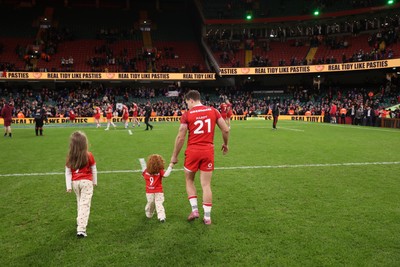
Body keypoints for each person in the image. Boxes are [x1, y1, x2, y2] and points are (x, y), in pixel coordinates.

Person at [170, 90, 229, 225]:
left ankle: (195, 210)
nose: (187, 106)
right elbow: (225, 129)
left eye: (187, 103)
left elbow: (180, 137)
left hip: (192, 152)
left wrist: (174, 156)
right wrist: (225, 144)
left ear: (191, 100)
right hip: (208, 151)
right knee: (206, 184)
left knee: (189, 180)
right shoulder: (213, 111)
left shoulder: (187, 115)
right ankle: (207, 217)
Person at [65, 131, 97, 238]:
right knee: (85, 204)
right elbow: (94, 169)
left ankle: (80, 220)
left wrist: (69, 186)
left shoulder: (70, 156)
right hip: (86, 182)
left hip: (75, 183)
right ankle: (81, 229)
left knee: (80, 201)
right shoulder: (89, 155)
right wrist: (94, 181)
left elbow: (68, 172)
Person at [139, 155, 174, 223]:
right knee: (151, 202)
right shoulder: (147, 171)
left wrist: (170, 167)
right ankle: (149, 213)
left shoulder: (158, 171)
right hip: (149, 191)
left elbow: (165, 175)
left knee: (159, 203)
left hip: (158, 190)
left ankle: (162, 217)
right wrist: (170, 166)